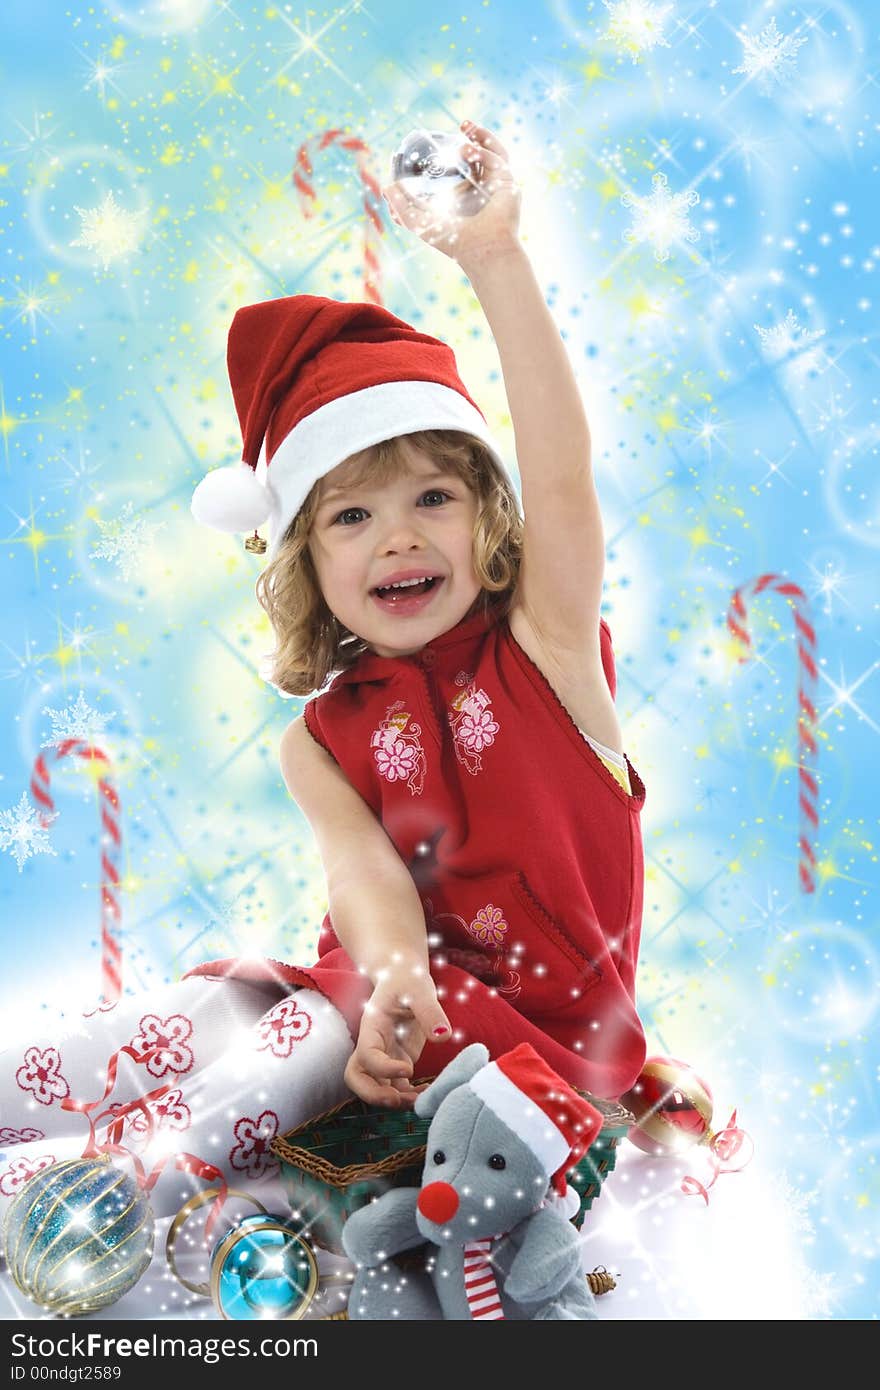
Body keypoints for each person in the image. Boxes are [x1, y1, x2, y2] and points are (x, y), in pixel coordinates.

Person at [0, 121, 646, 1236]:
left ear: (488, 519)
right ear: (308, 561)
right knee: (204, 1010)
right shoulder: (320, 736)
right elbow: (366, 881)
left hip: (518, 1049)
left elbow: (564, 479)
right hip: (367, 992)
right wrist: (394, 973)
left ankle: (100, 1207)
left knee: (260, 1072)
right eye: (353, 514)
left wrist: (494, 260)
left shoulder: (545, 643)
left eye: (433, 498)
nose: (399, 537)